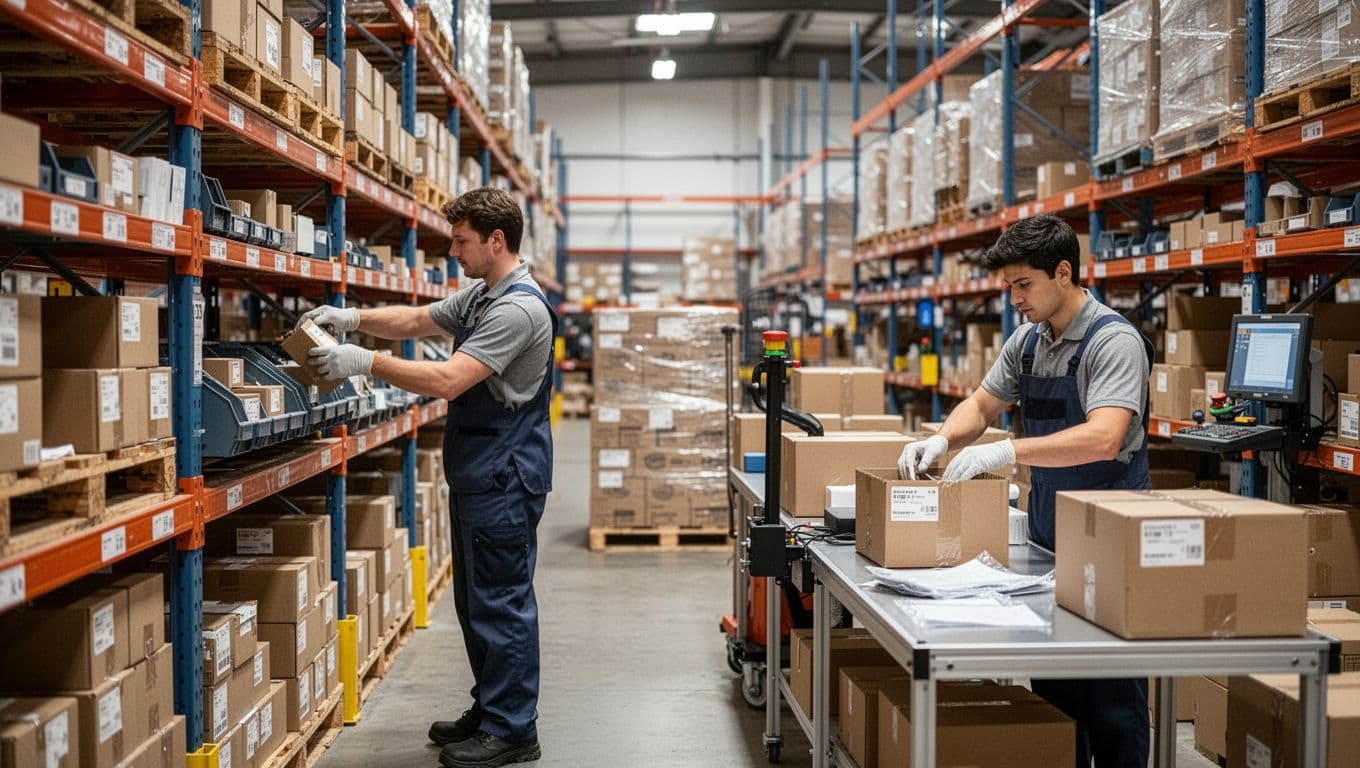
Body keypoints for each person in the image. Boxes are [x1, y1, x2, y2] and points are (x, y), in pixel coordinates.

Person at [300, 187, 554, 768]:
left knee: (502, 604)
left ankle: (514, 730)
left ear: (496, 240)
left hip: (505, 477)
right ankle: (492, 709)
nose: (454, 252)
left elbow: (447, 381)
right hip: (481, 473)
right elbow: (417, 317)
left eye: (462, 241)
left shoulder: (517, 309)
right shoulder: (482, 296)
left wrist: (362, 361)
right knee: (474, 602)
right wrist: (355, 318)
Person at [897, 214, 1153, 768]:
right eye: (1007, 286)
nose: (1014, 299)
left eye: (1023, 285)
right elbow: (983, 405)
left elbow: (1106, 437)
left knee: (1112, 709)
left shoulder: (1113, 343)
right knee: (1058, 710)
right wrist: (941, 440)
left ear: (1063, 273)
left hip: (1111, 555)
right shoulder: (1029, 342)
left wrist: (1008, 451)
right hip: (1050, 549)